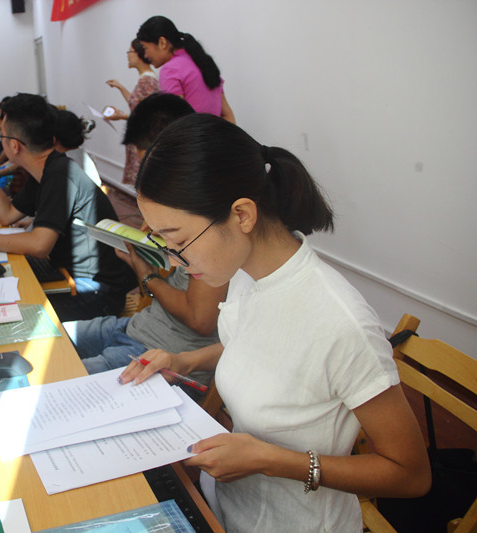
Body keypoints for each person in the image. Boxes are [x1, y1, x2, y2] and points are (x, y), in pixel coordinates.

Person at [118, 113, 430, 532]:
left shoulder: (340, 324)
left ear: (242, 215)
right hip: (222, 507)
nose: (174, 262)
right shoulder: (245, 274)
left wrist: (272, 461)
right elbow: (259, 346)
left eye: (179, 241)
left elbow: (411, 474)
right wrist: (185, 361)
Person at [65, 93, 225, 388]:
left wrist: (147, 275)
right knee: (49, 339)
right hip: (136, 328)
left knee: (56, 381)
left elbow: (200, 319)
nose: (145, 176)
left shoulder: (210, 220)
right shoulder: (186, 209)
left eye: (146, 165)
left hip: (159, 353)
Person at [0, 93, 137, 322]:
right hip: (71, 277)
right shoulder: (45, 170)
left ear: (14, 145)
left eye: (1, 135)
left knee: (6, 317)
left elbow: (39, 245)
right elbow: (6, 215)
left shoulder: (60, 176)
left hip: (96, 295)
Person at [136, 16, 234, 121]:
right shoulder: (203, 63)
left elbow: (175, 121)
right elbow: (227, 115)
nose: (145, 55)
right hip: (216, 131)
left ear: (162, 43)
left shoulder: (170, 70)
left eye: (145, 48)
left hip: (192, 131)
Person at [105, 39, 160, 184]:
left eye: (129, 52)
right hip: (140, 139)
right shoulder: (145, 79)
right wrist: (120, 87)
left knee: (145, 184)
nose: (128, 55)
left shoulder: (147, 81)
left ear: (139, 54)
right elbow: (138, 105)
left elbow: (148, 116)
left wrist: (121, 116)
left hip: (144, 141)